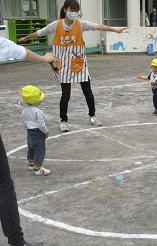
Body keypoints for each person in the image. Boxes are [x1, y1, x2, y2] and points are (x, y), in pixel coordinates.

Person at [18, 0, 128, 132]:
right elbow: (40, 32)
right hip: (63, 65)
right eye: (72, 9)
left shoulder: (81, 25)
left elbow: (97, 26)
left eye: (76, 10)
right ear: (65, 9)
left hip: (79, 64)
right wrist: (26, 38)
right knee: (65, 96)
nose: (74, 12)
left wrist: (114, 29)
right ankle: (63, 120)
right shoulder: (56, 24)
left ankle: (92, 116)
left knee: (88, 93)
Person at [0, 37, 57, 246]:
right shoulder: (37, 112)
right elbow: (19, 51)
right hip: (36, 134)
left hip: (28, 134)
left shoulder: (25, 111)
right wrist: (45, 59)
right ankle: (17, 242)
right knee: (3, 186)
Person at [21, 85, 50, 176]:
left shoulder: (24, 111)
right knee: (40, 150)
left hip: (29, 132)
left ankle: (31, 163)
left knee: (31, 148)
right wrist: (46, 132)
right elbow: (41, 124)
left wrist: (28, 130)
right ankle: (38, 168)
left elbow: (24, 122)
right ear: (37, 100)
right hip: (38, 132)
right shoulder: (38, 112)